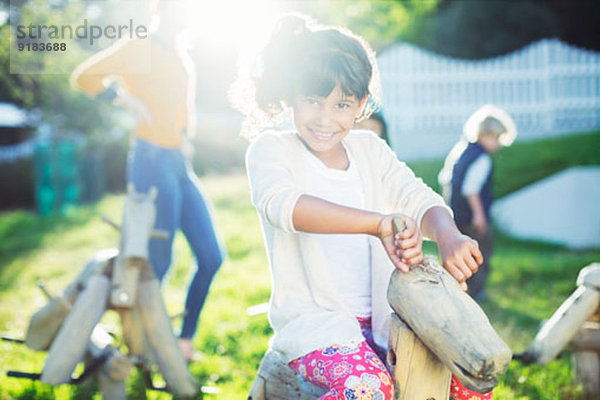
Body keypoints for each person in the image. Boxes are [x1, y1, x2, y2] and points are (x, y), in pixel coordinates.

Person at [232, 14, 492, 400]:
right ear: (290, 96)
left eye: (341, 104)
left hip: (390, 321)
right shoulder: (272, 150)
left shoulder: (370, 150)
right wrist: (377, 224)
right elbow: (285, 208)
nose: (325, 117)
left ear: (361, 105)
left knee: (471, 383)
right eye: (312, 100)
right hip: (316, 326)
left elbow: (418, 198)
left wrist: (449, 235)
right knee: (368, 389)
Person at [70, 2, 225, 361]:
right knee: (158, 260)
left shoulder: (180, 55)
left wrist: (185, 135)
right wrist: (124, 100)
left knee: (211, 256)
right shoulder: (139, 45)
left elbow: (180, 106)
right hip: (149, 159)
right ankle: (143, 342)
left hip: (176, 161)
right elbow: (84, 76)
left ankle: (183, 340)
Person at [438, 104, 517, 303]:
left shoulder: (462, 150)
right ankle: (475, 293)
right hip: (472, 217)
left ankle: (459, 292)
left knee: (461, 253)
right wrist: (479, 215)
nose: (498, 144)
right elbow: (471, 189)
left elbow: (446, 179)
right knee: (480, 253)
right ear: (485, 134)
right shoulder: (481, 158)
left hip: (457, 214)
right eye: (496, 138)